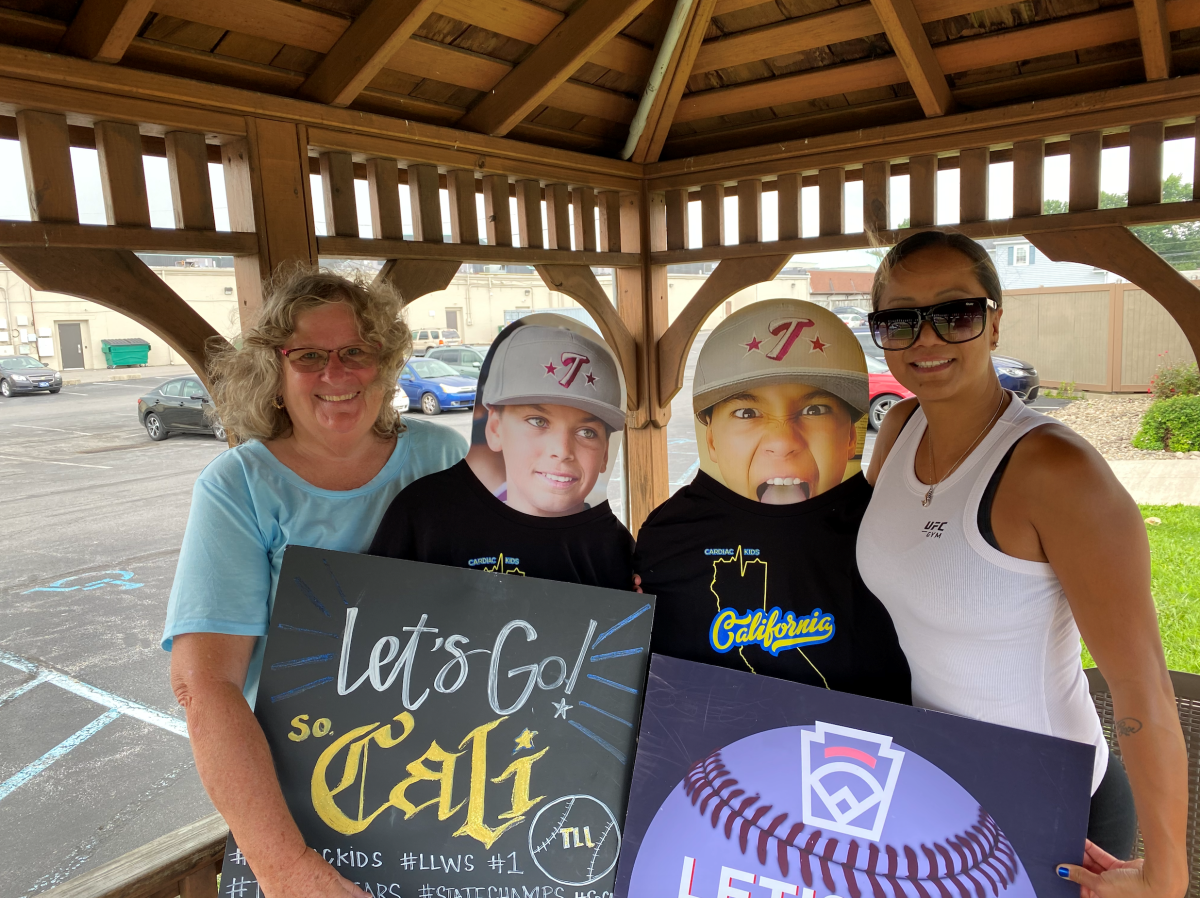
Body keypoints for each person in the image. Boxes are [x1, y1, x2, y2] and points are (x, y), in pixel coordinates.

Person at [857, 231, 1188, 898]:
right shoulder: (898, 431)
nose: (927, 339)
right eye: (899, 320)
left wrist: (1168, 875)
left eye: (956, 313)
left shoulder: (1057, 473)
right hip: (941, 788)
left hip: (1054, 806)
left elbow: (1141, 685)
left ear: (995, 320)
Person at [164, 266, 466, 898]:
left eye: (356, 350)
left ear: (385, 366)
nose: (337, 373)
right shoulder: (239, 487)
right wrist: (287, 870)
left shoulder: (448, 458)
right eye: (309, 356)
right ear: (275, 371)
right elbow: (205, 686)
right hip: (304, 804)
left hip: (458, 787)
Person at [635, 300, 910, 703]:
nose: (783, 441)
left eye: (815, 409)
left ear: (851, 434)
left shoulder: (889, 529)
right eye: (747, 412)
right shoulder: (669, 534)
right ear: (710, 438)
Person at [370, 323, 634, 589]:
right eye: (538, 421)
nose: (562, 451)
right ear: (494, 428)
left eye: (587, 432)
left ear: (605, 454)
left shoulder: (615, 548)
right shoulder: (422, 515)